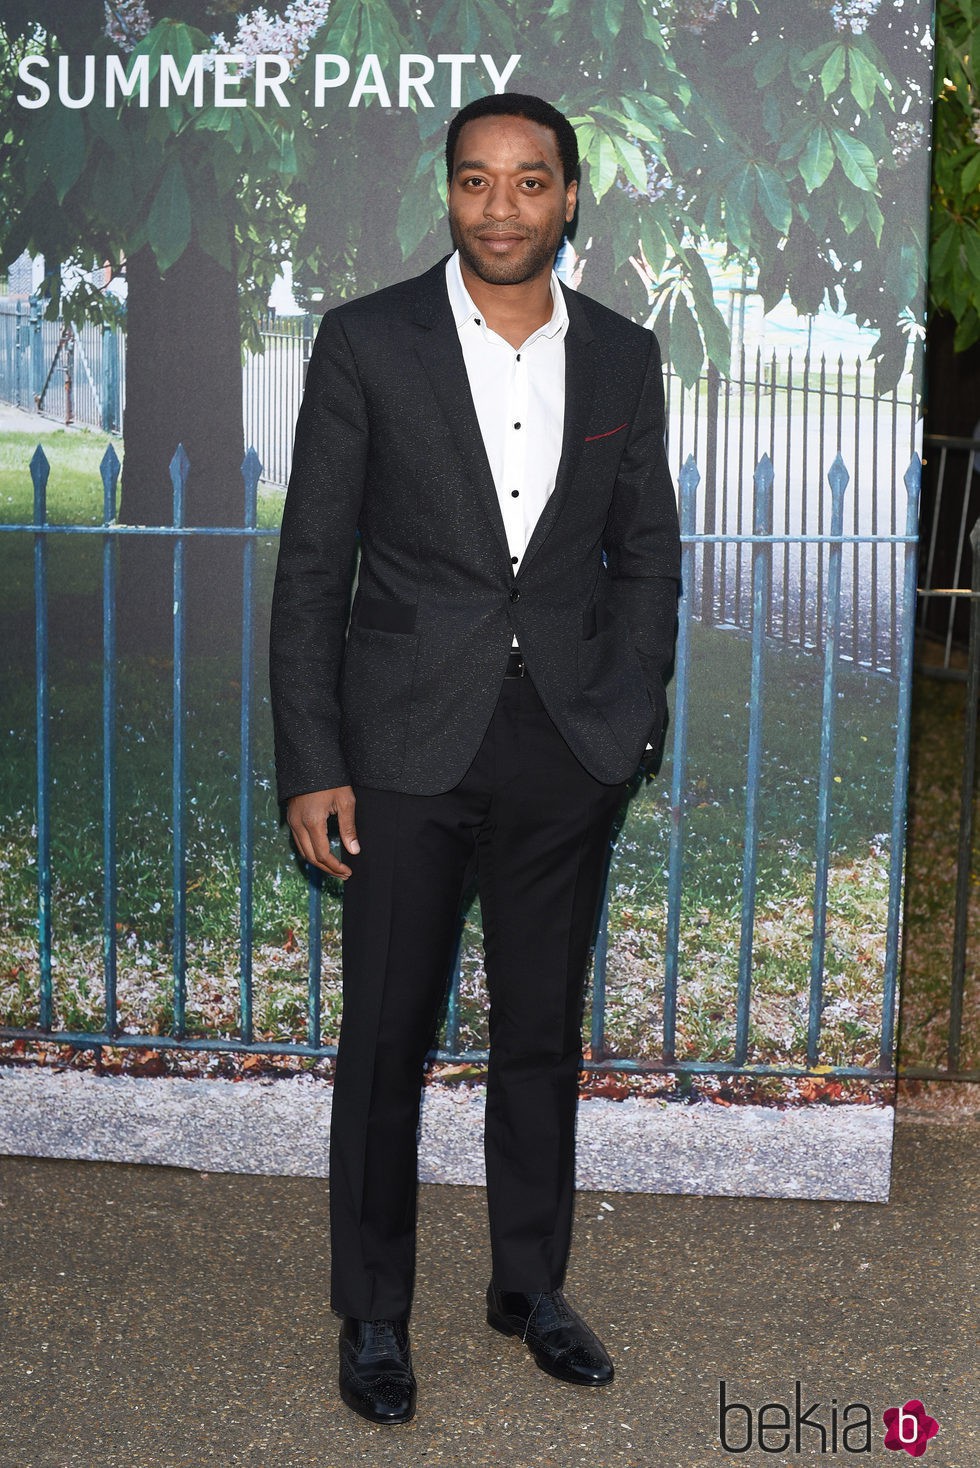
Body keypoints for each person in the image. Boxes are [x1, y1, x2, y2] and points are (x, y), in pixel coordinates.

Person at [269, 92, 680, 1425]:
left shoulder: (624, 356)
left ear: (569, 199)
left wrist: (629, 716)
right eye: (475, 181)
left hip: (563, 747)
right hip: (399, 745)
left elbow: (648, 555)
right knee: (386, 1039)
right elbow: (313, 564)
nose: (500, 208)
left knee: (540, 1037)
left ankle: (528, 1286)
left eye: (529, 182)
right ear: (448, 194)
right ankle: (374, 1314)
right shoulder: (368, 341)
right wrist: (312, 757)